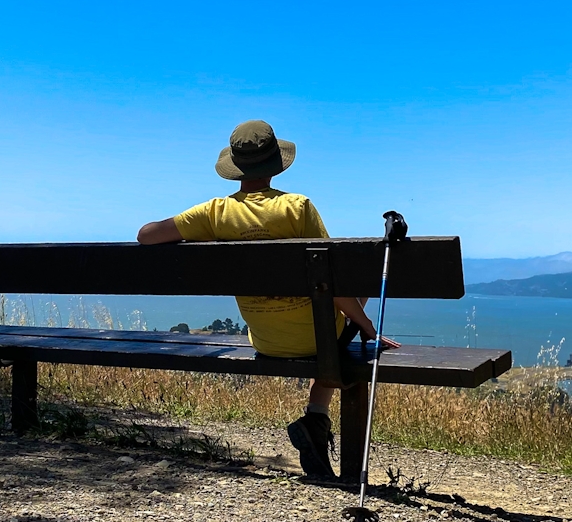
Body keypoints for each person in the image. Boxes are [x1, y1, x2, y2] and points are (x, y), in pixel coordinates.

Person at [137, 119, 396, 479]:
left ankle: (317, 422)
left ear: (236, 167)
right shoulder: (297, 207)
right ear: (275, 164)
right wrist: (366, 326)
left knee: (332, 306)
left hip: (266, 340)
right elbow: (333, 283)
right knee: (352, 281)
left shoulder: (214, 213)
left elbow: (147, 235)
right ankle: (316, 418)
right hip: (319, 338)